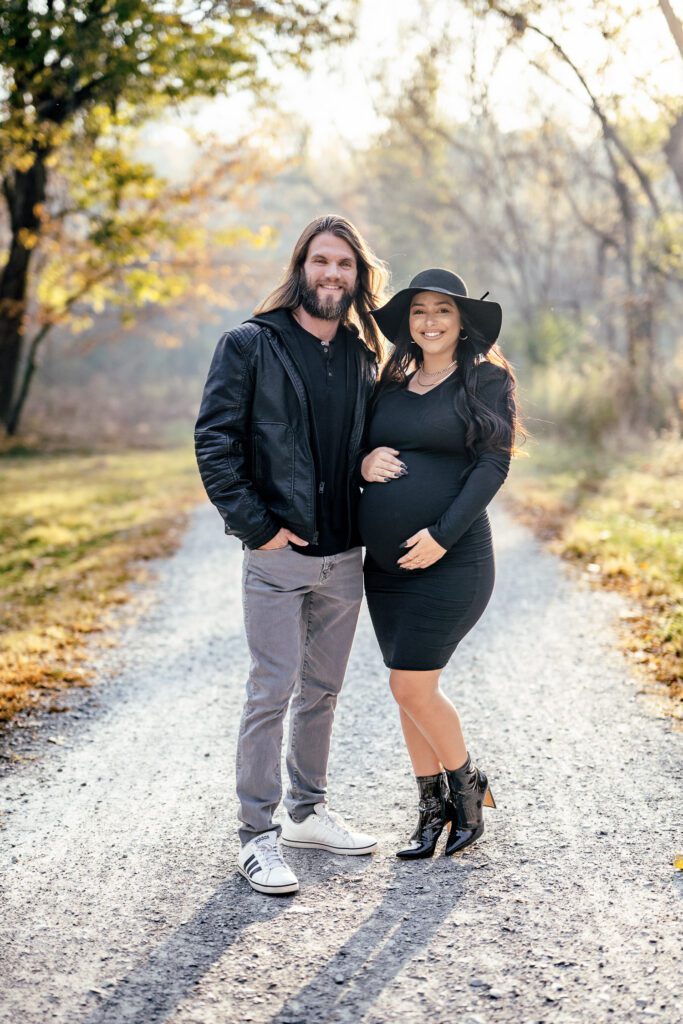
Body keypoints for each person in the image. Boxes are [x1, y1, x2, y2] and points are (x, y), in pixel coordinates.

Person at [195, 215, 388, 895]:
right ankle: (256, 836)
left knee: (323, 693)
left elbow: (363, 443)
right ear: (299, 267)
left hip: (345, 558)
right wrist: (258, 529)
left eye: (344, 265)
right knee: (270, 690)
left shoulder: (366, 356)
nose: (331, 274)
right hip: (277, 557)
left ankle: (307, 812)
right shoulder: (251, 344)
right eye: (320, 261)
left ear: (357, 276)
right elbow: (214, 442)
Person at [358, 268, 518, 859]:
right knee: (408, 690)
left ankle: (469, 787)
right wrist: (363, 461)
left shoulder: (485, 382)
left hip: (453, 561)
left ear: (461, 322)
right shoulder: (388, 387)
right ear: (408, 323)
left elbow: (492, 467)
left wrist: (442, 537)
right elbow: (353, 446)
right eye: (419, 311)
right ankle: (431, 813)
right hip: (385, 569)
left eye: (442, 311)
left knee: (410, 683)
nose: (430, 321)